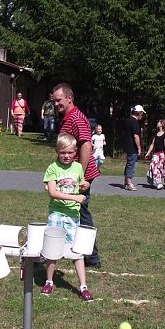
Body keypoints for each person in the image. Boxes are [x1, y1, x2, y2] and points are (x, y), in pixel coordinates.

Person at [52, 83, 101, 268]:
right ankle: (79, 253)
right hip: (72, 175)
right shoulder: (66, 117)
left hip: (81, 176)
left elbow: (86, 145)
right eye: (54, 100)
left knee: (82, 213)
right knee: (72, 212)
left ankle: (91, 257)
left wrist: (80, 176)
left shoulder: (77, 118)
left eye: (59, 100)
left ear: (69, 98)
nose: (56, 104)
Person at [40, 133, 93, 302]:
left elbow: (80, 184)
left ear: (75, 152)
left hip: (73, 215)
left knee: (76, 251)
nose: (66, 156)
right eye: (63, 153)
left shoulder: (77, 167)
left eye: (70, 153)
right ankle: (49, 281)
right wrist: (76, 198)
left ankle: (83, 286)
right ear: (57, 151)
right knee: (52, 250)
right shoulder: (52, 168)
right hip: (56, 214)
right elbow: (53, 192)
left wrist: (86, 185)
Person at [144, 119, 165, 190]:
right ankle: (158, 183)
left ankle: (163, 182)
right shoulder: (156, 134)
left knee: (160, 168)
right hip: (155, 154)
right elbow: (152, 144)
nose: (157, 123)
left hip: (162, 154)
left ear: (162, 124)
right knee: (154, 167)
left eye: (159, 122)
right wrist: (148, 153)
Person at [124, 105, 145, 191]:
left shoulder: (128, 121)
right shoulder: (135, 122)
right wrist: (139, 148)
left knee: (129, 163)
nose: (142, 115)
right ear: (138, 113)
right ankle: (129, 183)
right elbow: (136, 136)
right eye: (141, 113)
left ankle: (126, 182)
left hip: (128, 146)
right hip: (132, 147)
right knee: (132, 164)